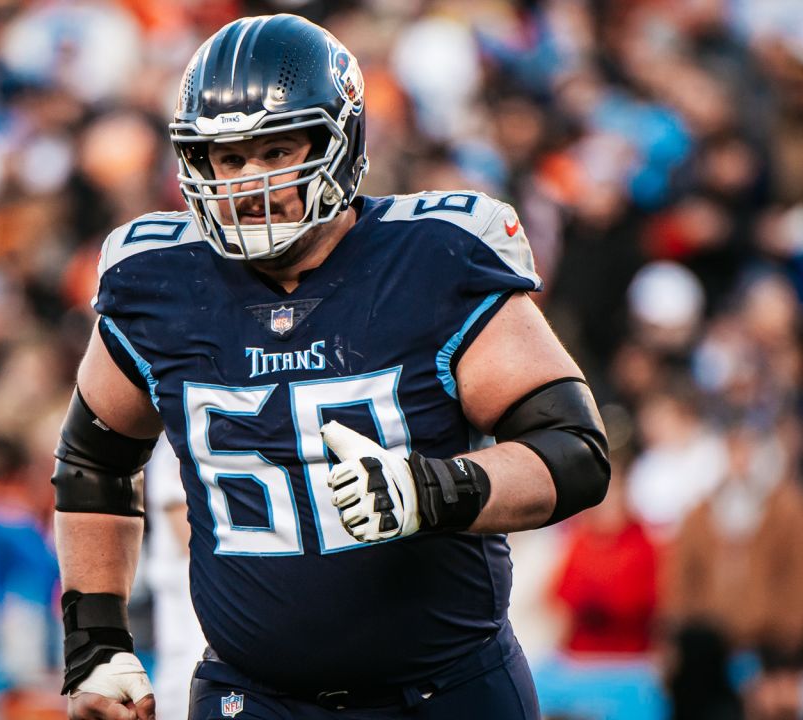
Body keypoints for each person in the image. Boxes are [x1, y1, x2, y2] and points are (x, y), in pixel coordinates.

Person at [51, 14, 609, 720]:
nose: (249, 183)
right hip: (252, 696)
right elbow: (93, 462)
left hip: (445, 693)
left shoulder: (431, 258)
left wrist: (432, 491)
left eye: (275, 152)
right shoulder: (158, 280)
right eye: (228, 159)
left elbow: (574, 452)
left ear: (338, 142)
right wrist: (96, 645)